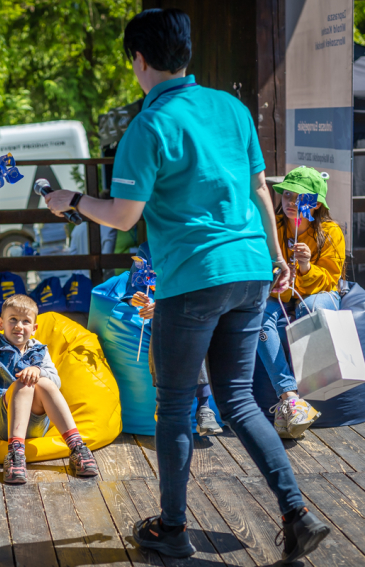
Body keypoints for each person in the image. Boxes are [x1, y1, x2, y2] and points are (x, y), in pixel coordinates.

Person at [43, 8, 329, 563]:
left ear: (139, 60)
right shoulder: (234, 108)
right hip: (249, 270)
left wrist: (71, 200)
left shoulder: (148, 126)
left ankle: (172, 529)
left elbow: (125, 216)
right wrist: (275, 257)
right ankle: (298, 513)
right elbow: (261, 193)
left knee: (174, 408)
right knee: (240, 400)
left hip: (193, 280)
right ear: (186, 55)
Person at [0, 244, 99, 484]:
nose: (19, 325)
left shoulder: (40, 350)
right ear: (0, 323)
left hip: (35, 424)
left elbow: (55, 380)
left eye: (25, 321)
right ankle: (16, 455)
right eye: (12, 320)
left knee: (46, 382)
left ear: (34, 327)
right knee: (23, 384)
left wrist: (38, 370)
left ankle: (77, 447)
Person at [258, 167, 344, 438]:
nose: (291, 202)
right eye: (286, 195)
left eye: (299, 198)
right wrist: (278, 276)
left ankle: (314, 390)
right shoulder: (274, 227)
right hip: (280, 296)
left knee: (313, 308)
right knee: (257, 317)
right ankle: (289, 397)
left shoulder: (330, 231)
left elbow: (330, 280)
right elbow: (263, 273)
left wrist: (306, 266)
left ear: (315, 203)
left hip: (317, 294)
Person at [126, 244, 222, 436]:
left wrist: (165, 307)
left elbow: (205, 291)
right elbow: (133, 288)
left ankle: (204, 407)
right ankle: (163, 401)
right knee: (161, 325)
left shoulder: (196, 244)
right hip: (164, 316)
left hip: (194, 309)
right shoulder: (147, 249)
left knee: (191, 326)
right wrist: (136, 299)